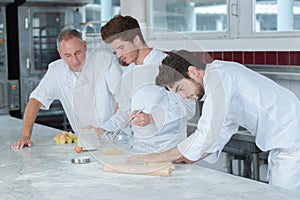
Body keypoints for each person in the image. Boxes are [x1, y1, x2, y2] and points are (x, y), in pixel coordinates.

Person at [127, 50, 300, 191]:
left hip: (292, 143)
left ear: (192, 72)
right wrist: (182, 157)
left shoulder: (219, 75)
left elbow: (207, 132)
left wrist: (161, 156)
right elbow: (220, 131)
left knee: (283, 195)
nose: (184, 96)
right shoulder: (219, 83)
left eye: (181, 88)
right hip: (285, 145)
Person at [11, 29, 122, 149]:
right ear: (60, 53)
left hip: (116, 139)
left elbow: (122, 99)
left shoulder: (105, 61)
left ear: (84, 46)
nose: (74, 60)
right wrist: (25, 136)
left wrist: (106, 128)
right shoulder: (56, 71)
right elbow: (34, 101)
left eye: (78, 53)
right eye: (68, 55)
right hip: (85, 144)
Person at [100, 15, 195, 152]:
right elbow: (124, 112)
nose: (119, 55)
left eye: (121, 47)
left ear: (136, 39)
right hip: (139, 148)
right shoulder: (128, 72)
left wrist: (152, 118)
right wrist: (102, 129)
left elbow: (188, 109)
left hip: (169, 148)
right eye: (115, 50)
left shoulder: (167, 65)